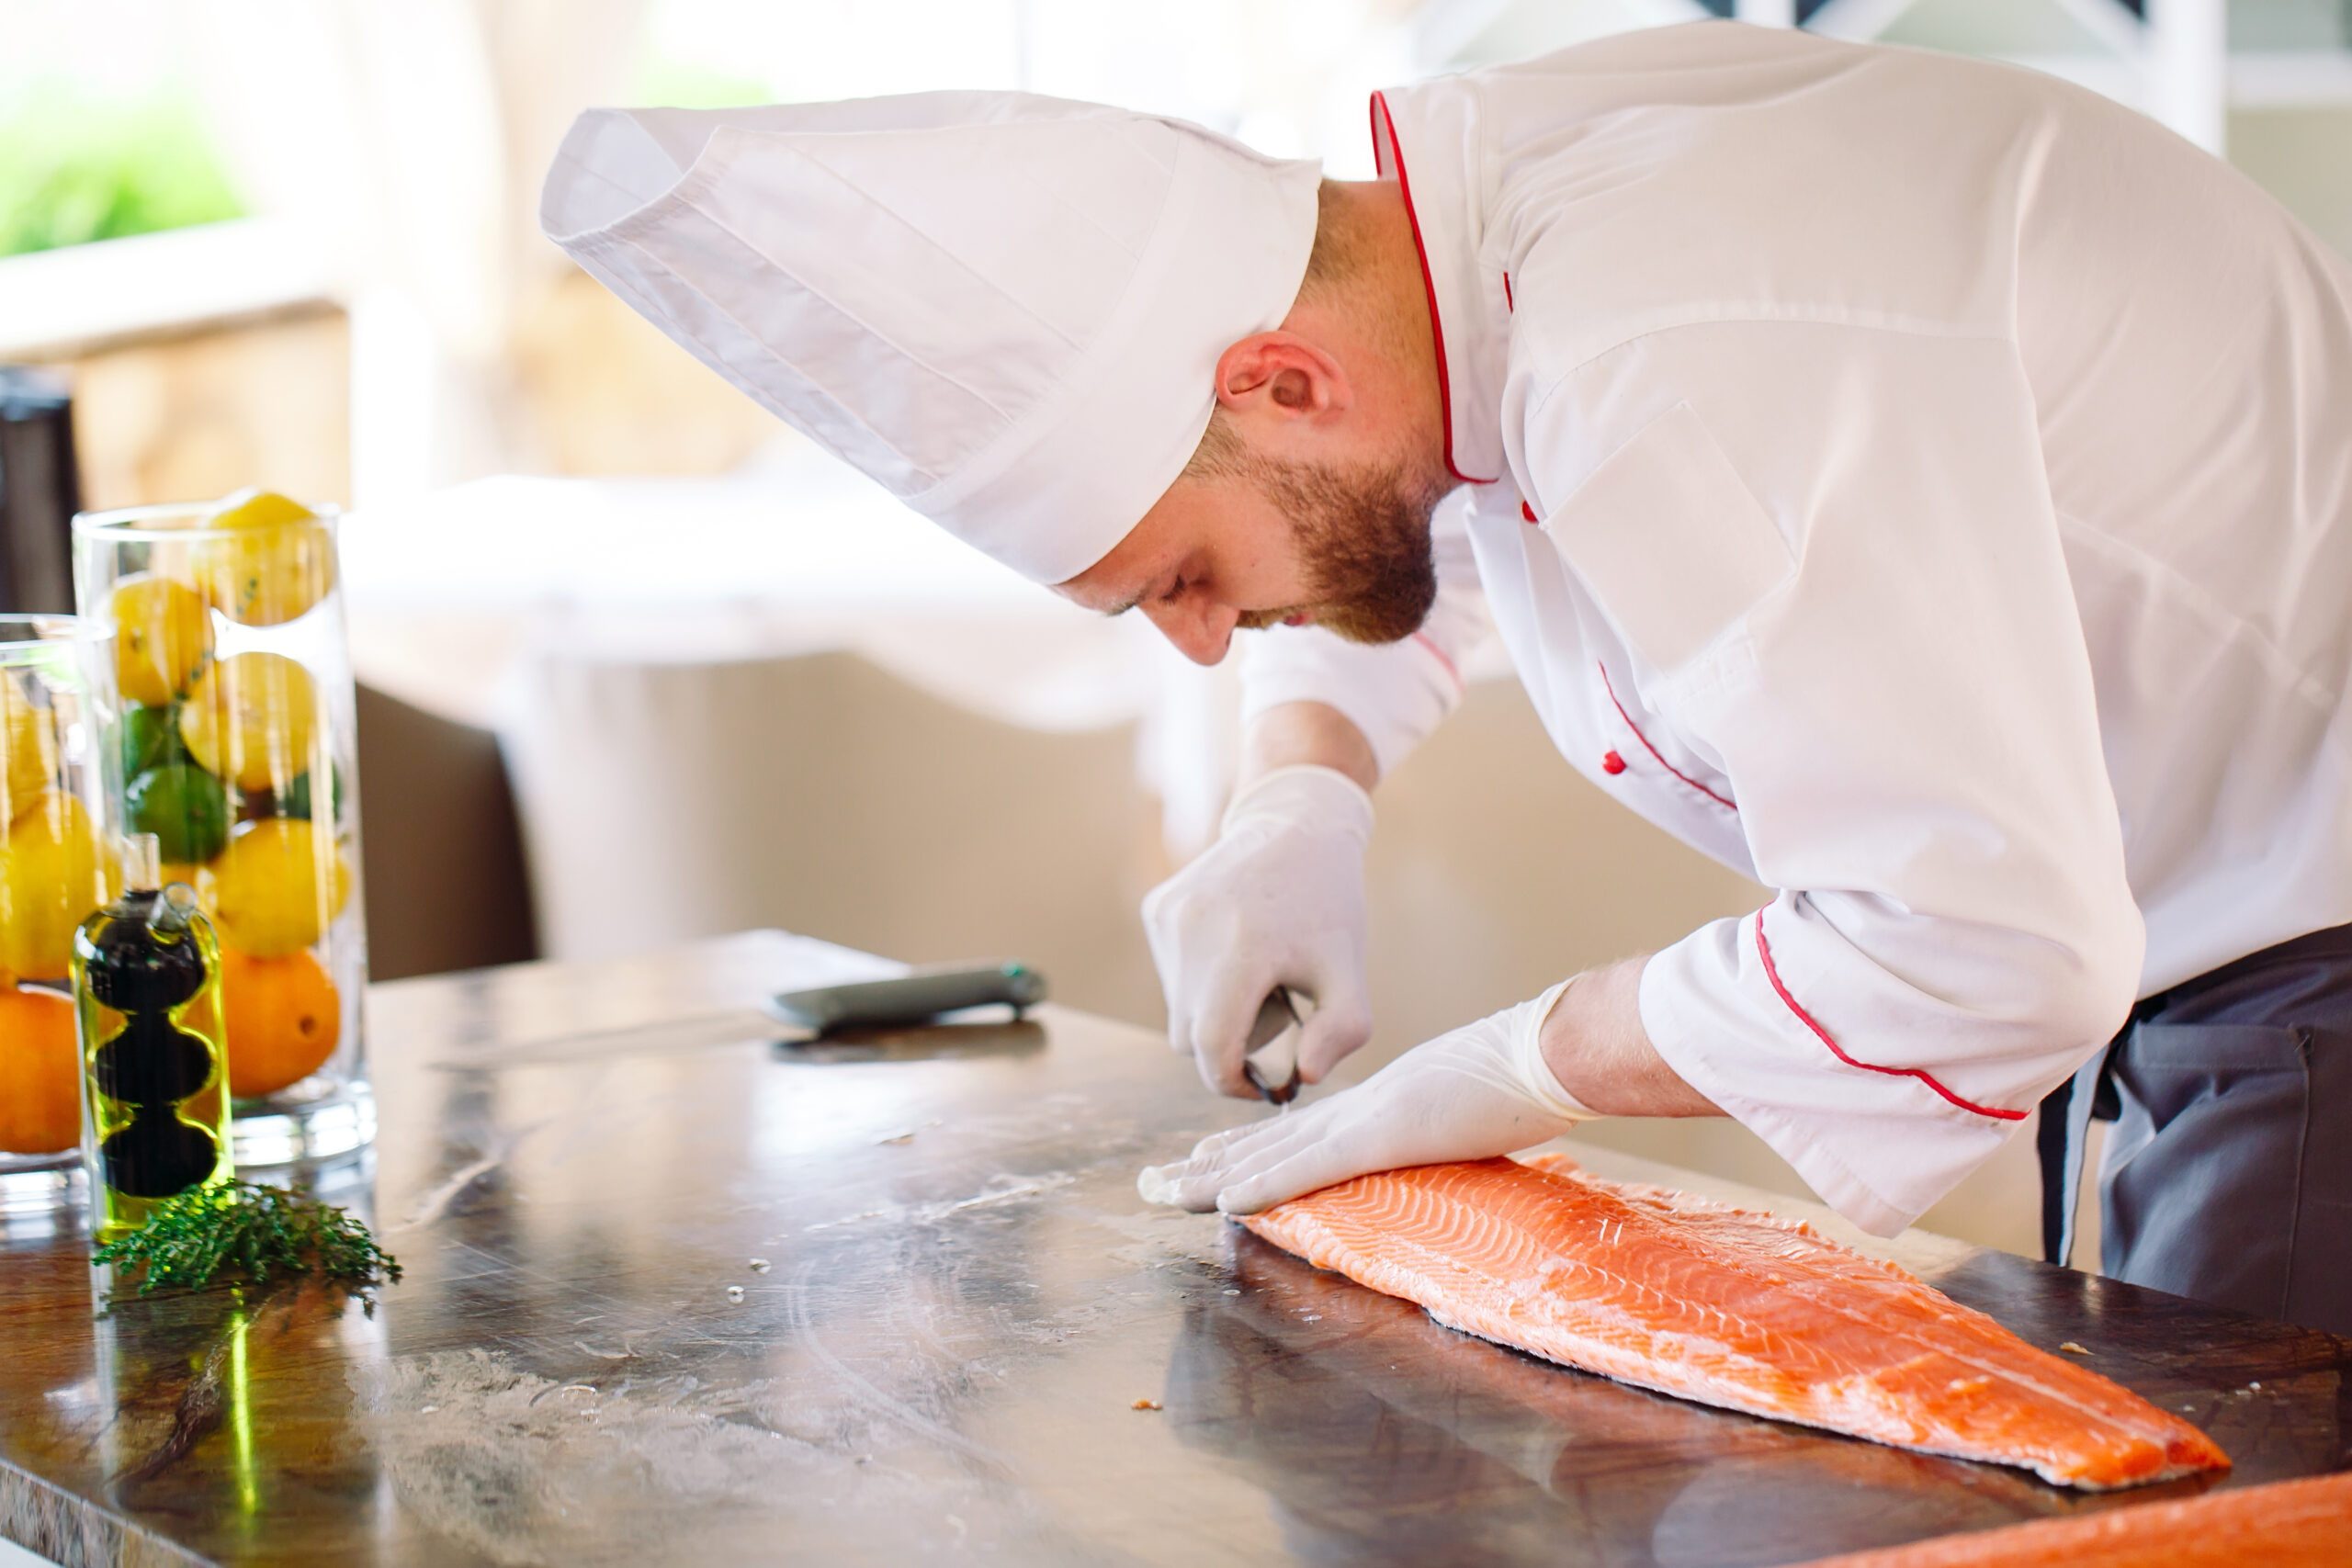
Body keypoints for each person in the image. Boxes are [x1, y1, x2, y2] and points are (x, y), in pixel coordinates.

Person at [541, 21, 2352, 1332]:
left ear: (1278, 380)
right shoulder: (1470, 225)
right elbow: (1453, 514)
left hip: (2304, 948)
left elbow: (1978, 944)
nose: (1196, 637)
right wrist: (1299, 787)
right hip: (2191, 919)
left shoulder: (1679, 346)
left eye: (1180, 574)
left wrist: (1507, 1064)